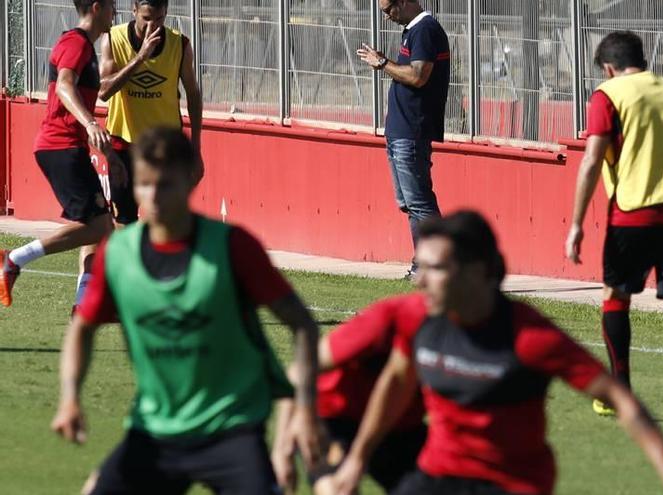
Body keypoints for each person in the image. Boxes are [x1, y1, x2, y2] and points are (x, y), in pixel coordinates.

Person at [330, 211, 663, 495]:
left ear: (479, 270)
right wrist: (356, 460)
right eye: (420, 267)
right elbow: (397, 380)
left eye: (436, 268)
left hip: (512, 483)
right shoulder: (419, 318)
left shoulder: (529, 337)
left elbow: (618, 397)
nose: (421, 280)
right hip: (438, 474)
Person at [50, 128, 323, 494]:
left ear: (190, 177)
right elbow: (82, 327)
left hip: (231, 428)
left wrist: (305, 409)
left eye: (166, 184)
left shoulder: (232, 247)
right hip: (156, 429)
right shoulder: (119, 254)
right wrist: (70, 397)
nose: (154, 196)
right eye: (145, 184)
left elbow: (303, 325)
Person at [564, 31, 663, 425]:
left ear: (608, 67)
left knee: (615, 296)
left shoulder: (608, 94)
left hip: (631, 215)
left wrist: (577, 223)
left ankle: (620, 392)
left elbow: (592, 160)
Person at [0, 0, 119, 309]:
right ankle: (13, 259)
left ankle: (82, 306)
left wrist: (110, 155)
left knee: (101, 225)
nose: (115, 11)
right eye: (111, 6)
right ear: (96, 7)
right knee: (101, 226)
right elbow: (65, 87)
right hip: (59, 145)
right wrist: (91, 123)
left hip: (69, 145)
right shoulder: (75, 42)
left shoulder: (86, 47)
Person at [272, 304, 427, 494]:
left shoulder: (468, 340)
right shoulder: (389, 320)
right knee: (338, 489)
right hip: (334, 416)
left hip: (399, 423)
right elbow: (298, 372)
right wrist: (282, 448)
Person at [357, 0, 449, 279]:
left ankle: (447, 264)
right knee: (409, 204)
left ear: (405, 2)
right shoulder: (412, 30)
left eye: (389, 11)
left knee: (420, 203)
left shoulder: (425, 30)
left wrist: (383, 63)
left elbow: (419, 76)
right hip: (400, 131)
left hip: (412, 132)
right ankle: (423, 265)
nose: (387, 18)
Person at [99, 0, 204, 225]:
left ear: (166, 13)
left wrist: (195, 147)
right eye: (146, 19)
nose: (152, 26)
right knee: (123, 223)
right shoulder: (113, 38)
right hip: (123, 144)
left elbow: (193, 95)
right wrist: (140, 58)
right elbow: (103, 91)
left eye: (159, 19)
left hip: (165, 146)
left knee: (167, 220)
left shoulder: (180, 45)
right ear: (134, 10)